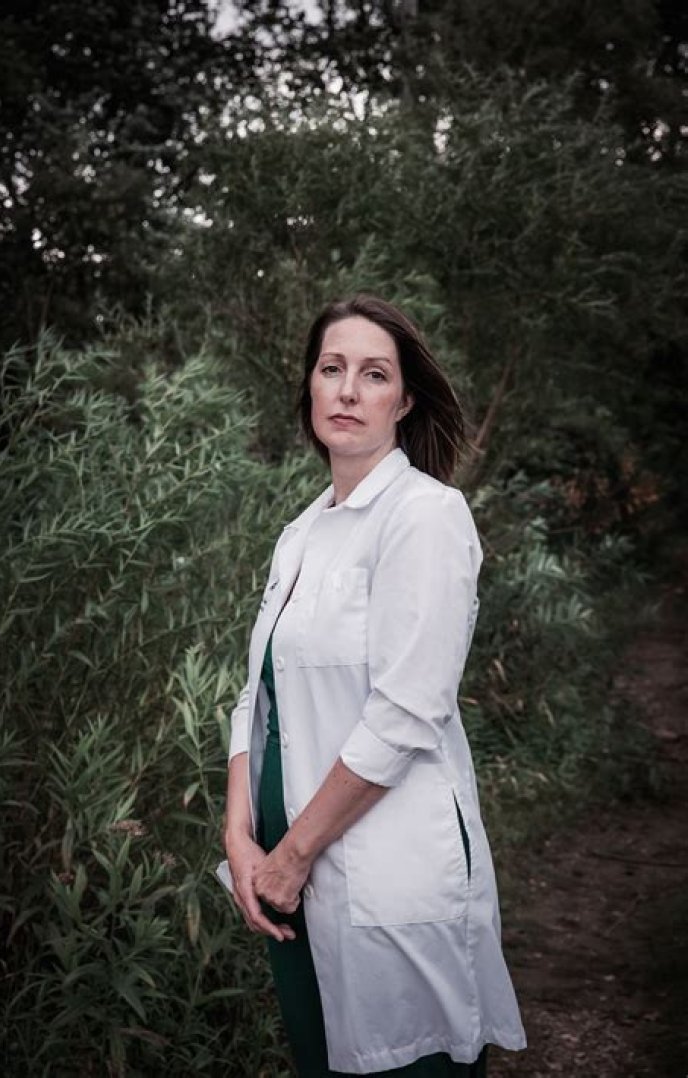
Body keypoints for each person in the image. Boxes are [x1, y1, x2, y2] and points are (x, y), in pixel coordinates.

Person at [219, 295, 526, 1076]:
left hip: (376, 869)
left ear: (405, 399)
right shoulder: (300, 533)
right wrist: (239, 835)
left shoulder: (426, 516)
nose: (349, 390)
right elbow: (258, 695)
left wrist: (292, 855)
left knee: (407, 1062)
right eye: (332, 369)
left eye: (374, 374)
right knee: (321, 1060)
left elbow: (405, 713)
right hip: (284, 874)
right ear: (310, 388)